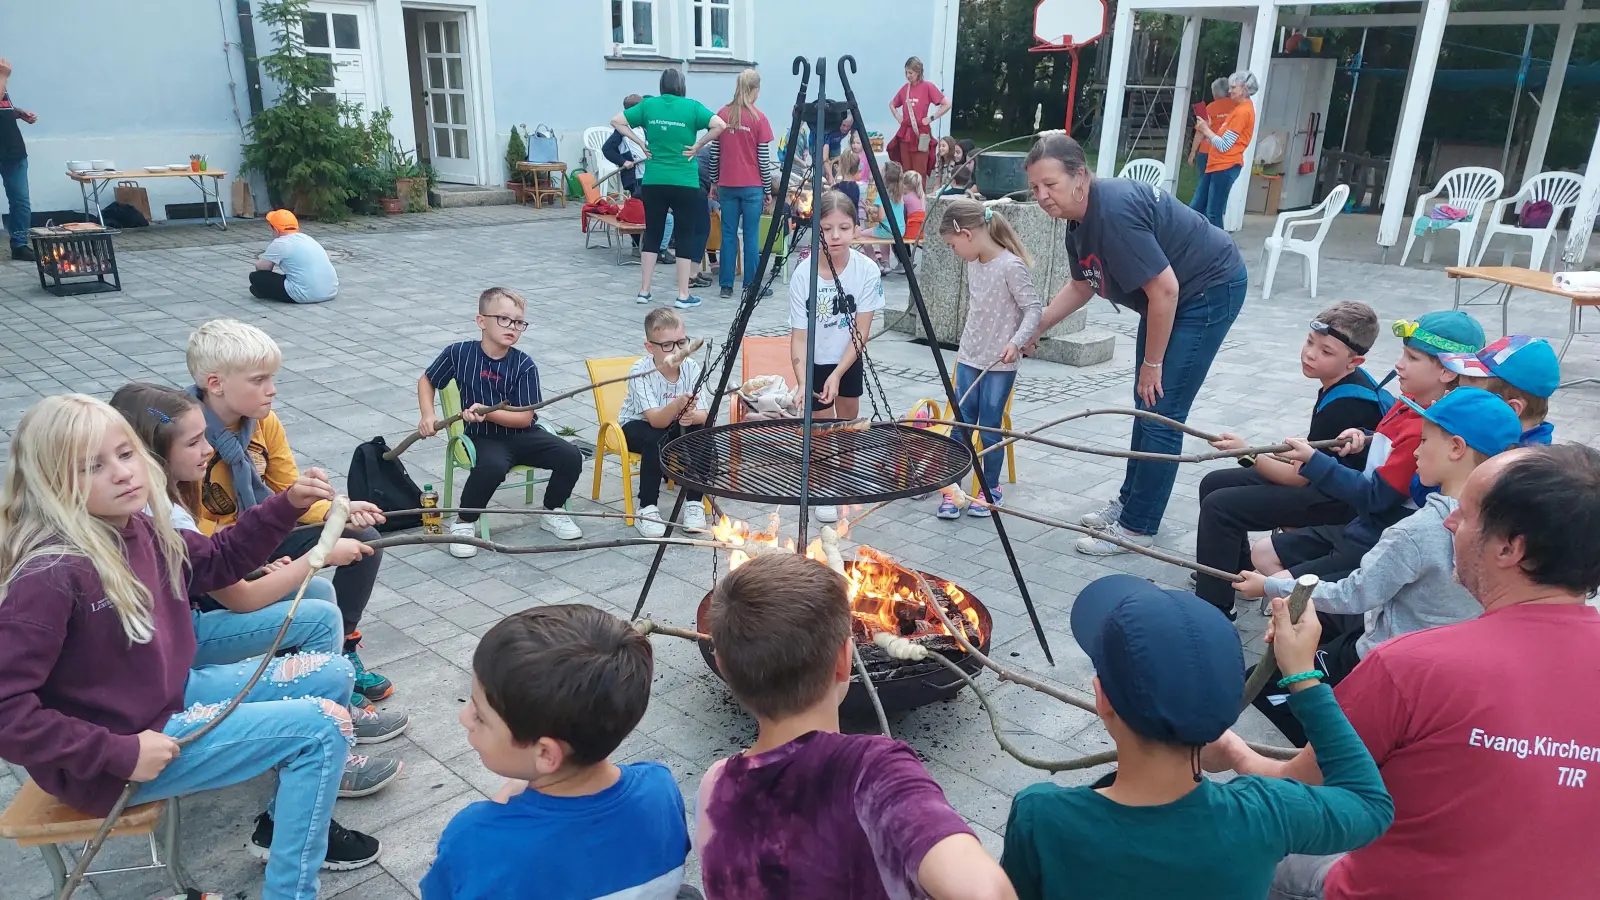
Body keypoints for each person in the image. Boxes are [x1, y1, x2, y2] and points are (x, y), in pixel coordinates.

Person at [0, 395, 384, 897]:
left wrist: (286, 505)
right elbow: (7, 710)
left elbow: (219, 561)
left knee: (332, 672)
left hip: (167, 698)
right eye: (92, 466)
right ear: (51, 482)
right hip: (118, 751)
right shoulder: (50, 573)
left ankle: (284, 819)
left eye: (125, 453)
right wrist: (116, 751)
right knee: (322, 729)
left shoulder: (137, 524)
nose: (121, 473)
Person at [1206, 443, 1600, 900]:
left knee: (1240, 828)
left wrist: (1233, 752)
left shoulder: (1412, 665)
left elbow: (1302, 780)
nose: (1450, 522)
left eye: (1466, 515)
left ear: (1510, 549)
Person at [1001, 575, 1392, 899]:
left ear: (1102, 700)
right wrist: (1302, 675)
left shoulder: (1043, 816)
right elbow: (1370, 803)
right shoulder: (1264, 813)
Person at [109, 383, 412, 762]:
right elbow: (232, 582)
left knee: (319, 595)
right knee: (317, 618)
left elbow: (226, 549)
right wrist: (321, 555)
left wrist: (329, 511)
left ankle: (328, 710)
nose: (272, 389)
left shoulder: (247, 437)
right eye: (257, 379)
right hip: (183, 633)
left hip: (204, 593)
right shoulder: (163, 515)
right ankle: (322, 741)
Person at [697, 553, 1017, 900]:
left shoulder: (715, 787)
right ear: (843, 660)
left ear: (723, 667)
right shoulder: (873, 772)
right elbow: (987, 892)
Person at [1238, 387, 1524, 746]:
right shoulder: (1513, 522)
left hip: (1383, 658)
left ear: (1456, 448)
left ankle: (1331, 762)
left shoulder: (1418, 531)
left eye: (1422, 440)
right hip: (1443, 667)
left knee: (1269, 687)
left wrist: (1269, 586)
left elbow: (1354, 594)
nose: (1415, 451)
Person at [1024, 133, 1247, 554]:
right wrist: (1038, 326)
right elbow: (1081, 284)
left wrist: (1153, 363)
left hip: (1207, 288)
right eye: (1035, 187)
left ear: (1080, 177)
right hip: (1167, 296)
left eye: (1050, 185)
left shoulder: (1113, 214)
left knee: (1162, 409)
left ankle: (1138, 528)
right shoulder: (1078, 221)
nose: (1042, 196)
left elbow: (1165, 290)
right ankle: (1130, 503)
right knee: (1146, 403)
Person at [420, 605, 696, 900]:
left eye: (480, 715)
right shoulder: (660, 787)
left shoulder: (475, 838)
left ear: (546, 754)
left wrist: (497, 817)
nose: (464, 717)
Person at [185, 319, 395, 704]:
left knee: (364, 537)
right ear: (215, 384)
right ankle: (299, 662)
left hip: (262, 534)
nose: (272, 390)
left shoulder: (264, 423)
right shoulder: (186, 441)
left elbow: (288, 494)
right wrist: (263, 565)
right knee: (317, 570)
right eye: (259, 380)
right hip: (217, 562)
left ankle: (342, 646)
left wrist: (337, 512)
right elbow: (196, 544)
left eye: (273, 378)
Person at [1249, 311, 1485, 584]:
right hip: (1362, 524)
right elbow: (1389, 446)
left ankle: (1313, 619)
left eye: (1412, 358)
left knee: (1281, 585)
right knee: (1264, 553)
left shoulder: (1425, 428)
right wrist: (1364, 438)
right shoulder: (1411, 400)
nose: (1399, 365)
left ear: (1445, 371)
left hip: (1376, 537)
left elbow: (1377, 498)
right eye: (1403, 354)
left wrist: (1315, 461)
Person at [1194, 302, 1387, 617]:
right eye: (1310, 342)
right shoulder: (1345, 382)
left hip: (1336, 501)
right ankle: (1233, 572)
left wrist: (1246, 454)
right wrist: (1250, 455)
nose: (1311, 353)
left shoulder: (1348, 404)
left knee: (1221, 507)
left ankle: (1213, 609)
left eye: (1326, 352)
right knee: (1213, 482)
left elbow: (1298, 477)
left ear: (1354, 361)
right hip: (1321, 482)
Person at [416, 287, 586, 555]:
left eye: (519, 322)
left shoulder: (524, 364)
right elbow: (427, 380)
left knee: (571, 455)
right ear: (481, 321)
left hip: (523, 434)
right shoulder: (459, 353)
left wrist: (488, 410)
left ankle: (552, 509)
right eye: (504, 319)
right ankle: (465, 521)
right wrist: (428, 414)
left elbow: (524, 418)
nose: (513, 327)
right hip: (483, 436)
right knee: (492, 466)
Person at [934, 199, 1041, 519]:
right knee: (960, 423)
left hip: (999, 362)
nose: (954, 252)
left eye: (953, 245)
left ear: (967, 235)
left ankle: (990, 486)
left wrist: (1016, 343)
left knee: (990, 424)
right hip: (969, 356)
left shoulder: (1010, 266)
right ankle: (953, 487)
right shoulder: (973, 263)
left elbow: (1033, 308)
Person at [788, 190, 885, 525]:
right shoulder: (803, 274)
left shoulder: (866, 270)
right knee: (819, 425)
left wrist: (839, 372)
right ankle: (823, 482)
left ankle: (846, 472)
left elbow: (861, 332)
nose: (836, 236)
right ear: (817, 230)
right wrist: (803, 381)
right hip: (816, 356)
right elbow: (799, 336)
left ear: (856, 228)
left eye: (844, 227)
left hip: (848, 354)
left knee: (848, 417)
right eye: (827, 228)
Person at [612, 68, 727, 310]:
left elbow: (617, 121)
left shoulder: (648, 106)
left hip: (654, 179)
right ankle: (683, 295)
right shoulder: (692, 107)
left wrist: (640, 142)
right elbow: (720, 125)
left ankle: (644, 290)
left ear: (662, 86)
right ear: (682, 86)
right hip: (684, 181)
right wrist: (697, 145)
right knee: (685, 234)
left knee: (653, 232)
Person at [619, 307, 708, 538]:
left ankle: (694, 502)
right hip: (638, 426)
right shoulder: (640, 370)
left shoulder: (691, 367)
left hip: (675, 424)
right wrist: (679, 406)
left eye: (682, 342)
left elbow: (704, 413)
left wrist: (691, 416)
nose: (677, 350)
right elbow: (656, 420)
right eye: (667, 345)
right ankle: (647, 508)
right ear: (650, 347)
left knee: (703, 432)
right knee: (656, 438)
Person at [708, 69, 774, 300]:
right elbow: (763, 160)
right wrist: (767, 188)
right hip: (752, 186)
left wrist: (714, 181)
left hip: (727, 184)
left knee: (728, 234)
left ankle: (726, 285)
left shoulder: (722, 115)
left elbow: (715, 154)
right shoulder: (759, 118)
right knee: (751, 235)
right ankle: (751, 284)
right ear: (755, 90)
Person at [1441, 333, 1560, 446]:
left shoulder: (1514, 464)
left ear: (1511, 410)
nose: (1452, 398)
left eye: (1465, 398)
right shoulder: (1491, 440)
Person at [1190, 71, 1259, 229]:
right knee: (1197, 208)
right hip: (1217, 164)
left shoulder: (1242, 112)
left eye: (1234, 87)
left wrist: (1205, 130)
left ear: (1244, 89)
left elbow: (1224, 145)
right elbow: (1219, 139)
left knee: (1213, 212)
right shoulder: (1239, 109)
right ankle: (1193, 242)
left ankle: (1220, 249)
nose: (1230, 91)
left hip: (1225, 166)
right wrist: (1208, 131)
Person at [251, 209, 339, 304]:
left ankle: (264, 292)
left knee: (255, 277)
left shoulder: (280, 243)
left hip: (305, 295)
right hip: (331, 291)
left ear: (276, 230)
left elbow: (261, 267)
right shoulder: (307, 238)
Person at [887, 56, 950, 178]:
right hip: (906, 133)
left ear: (918, 72)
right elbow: (892, 104)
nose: (908, 75)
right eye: (906, 72)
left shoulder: (928, 87)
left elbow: (947, 104)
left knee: (919, 170)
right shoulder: (905, 89)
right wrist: (898, 116)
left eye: (910, 72)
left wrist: (931, 118)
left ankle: (920, 195)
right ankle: (907, 195)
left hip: (922, 134)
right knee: (906, 170)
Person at [0, 57, 37, 261]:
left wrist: (18, 113)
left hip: (13, 151)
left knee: (20, 201)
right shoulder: (1, 77)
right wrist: (3, 76)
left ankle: (20, 244)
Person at [1187, 77, 1234, 176]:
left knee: (1204, 182)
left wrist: (1192, 153)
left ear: (1215, 93)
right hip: (1229, 152)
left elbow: (1200, 132)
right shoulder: (1237, 107)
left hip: (1207, 151)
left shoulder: (1209, 108)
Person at [865, 160, 906, 271]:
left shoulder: (882, 194)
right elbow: (891, 210)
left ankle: (875, 262)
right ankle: (886, 263)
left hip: (887, 230)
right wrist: (873, 209)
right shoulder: (899, 193)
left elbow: (882, 217)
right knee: (883, 237)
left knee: (862, 236)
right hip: (900, 230)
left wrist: (872, 215)